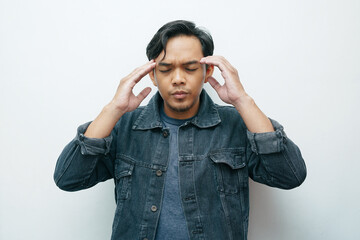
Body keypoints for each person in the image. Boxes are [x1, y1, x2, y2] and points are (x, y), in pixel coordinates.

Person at [54, 20, 306, 240]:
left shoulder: (237, 124)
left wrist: (243, 101)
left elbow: (290, 176)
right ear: (152, 75)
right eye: (165, 69)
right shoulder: (125, 126)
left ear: (207, 72)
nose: (177, 78)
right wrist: (113, 109)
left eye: (190, 68)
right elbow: (68, 178)